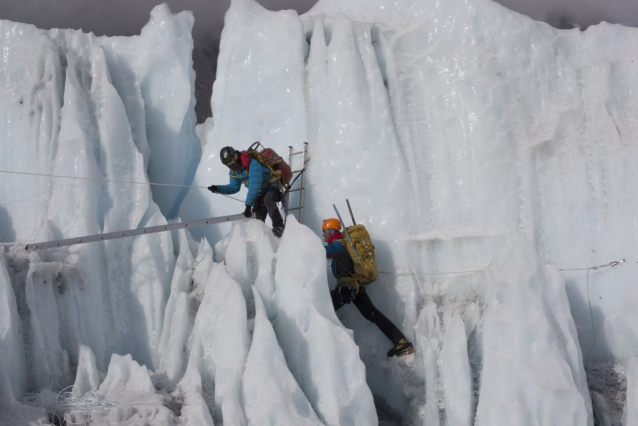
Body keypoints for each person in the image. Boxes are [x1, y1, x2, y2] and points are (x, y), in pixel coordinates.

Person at [322, 218, 413, 358]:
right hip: (356, 289)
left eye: (325, 231)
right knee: (373, 314)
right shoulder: (343, 244)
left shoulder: (338, 246)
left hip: (347, 290)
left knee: (323, 310)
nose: (323, 234)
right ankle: (401, 342)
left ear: (332, 231)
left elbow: (321, 251)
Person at [208, 146, 285, 237]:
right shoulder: (235, 171)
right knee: (257, 217)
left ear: (236, 158)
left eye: (232, 164)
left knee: (267, 199)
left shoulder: (253, 164)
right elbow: (233, 187)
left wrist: (248, 205)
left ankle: (279, 226)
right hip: (259, 193)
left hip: (272, 187)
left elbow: (254, 186)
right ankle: (261, 238)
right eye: (229, 165)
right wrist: (217, 188)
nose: (232, 167)